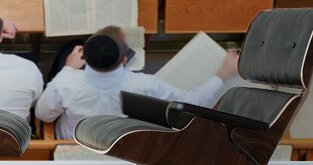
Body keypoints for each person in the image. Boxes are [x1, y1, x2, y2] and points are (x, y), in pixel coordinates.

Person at [35, 26, 238, 139]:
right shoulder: (145, 85)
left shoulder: (66, 81)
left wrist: (68, 68)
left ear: (84, 58)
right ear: (125, 59)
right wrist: (223, 73)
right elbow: (192, 103)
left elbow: (43, 114)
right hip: (123, 150)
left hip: (76, 148)